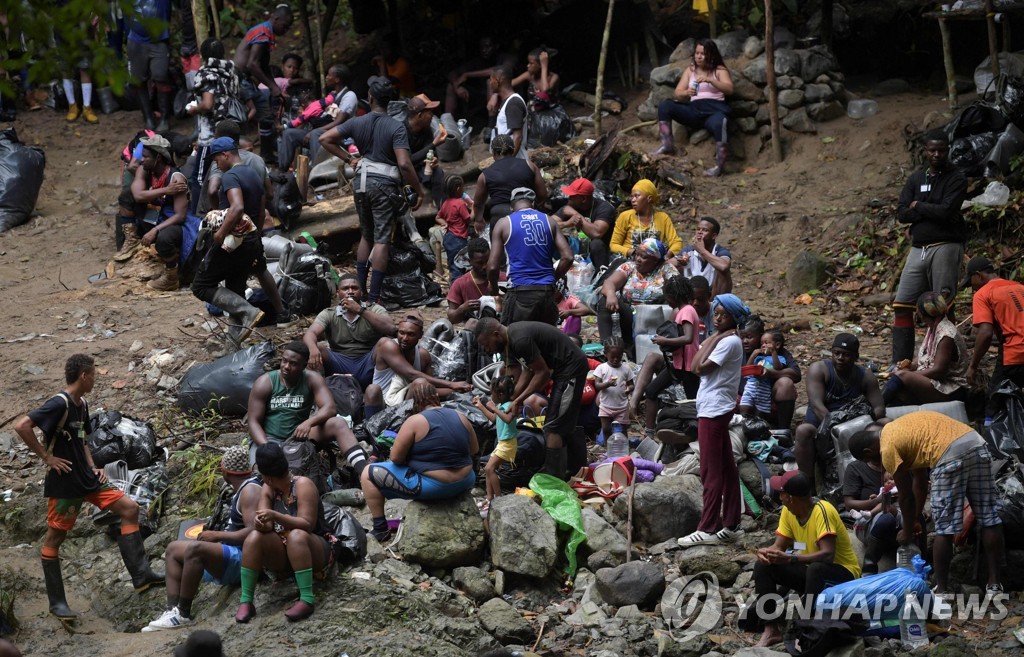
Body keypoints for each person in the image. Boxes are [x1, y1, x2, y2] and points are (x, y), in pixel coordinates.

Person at [13, 354, 163, 619]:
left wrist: (93, 466)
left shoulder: (81, 404)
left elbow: (82, 440)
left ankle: (141, 575)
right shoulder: (58, 404)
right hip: (66, 482)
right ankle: (57, 603)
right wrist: (46, 458)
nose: (96, 378)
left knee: (129, 509)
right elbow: (22, 425)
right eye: (93, 374)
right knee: (55, 538)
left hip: (87, 478)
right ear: (84, 376)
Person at [853, 410, 1004, 595]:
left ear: (868, 452)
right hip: (976, 443)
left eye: (869, 460)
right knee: (989, 518)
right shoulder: (904, 429)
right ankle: (995, 584)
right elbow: (920, 482)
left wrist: (907, 531)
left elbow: (906, 496)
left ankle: (941, 590)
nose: (877, 465)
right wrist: (916, 518)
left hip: (949, 457)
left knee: (944, 528)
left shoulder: (887, 448)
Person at [319, 76, 424, 305]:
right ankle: (374, 298)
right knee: (382, 239)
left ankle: (359, 292)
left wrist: (349, 158)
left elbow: (325, 138)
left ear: (370, 97)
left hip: (361, 184)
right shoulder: (396, 126)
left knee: (367, 234)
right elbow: (405, 164)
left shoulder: (358, 122)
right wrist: (418, 190)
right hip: (384, 186)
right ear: (391, 100)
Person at [143, 446, 261, 631]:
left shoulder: (250, 491)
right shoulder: (241, 488)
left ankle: (183, 613)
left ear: (225, 471)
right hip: (230, 551)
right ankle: (172, 611)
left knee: (195, 549)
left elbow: (254, 532)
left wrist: (216, 535)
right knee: (173, 549)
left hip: (244, 559)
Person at [750, 471, 861, 647]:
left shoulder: (822, 511)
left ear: (791, 497)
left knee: (816, 568)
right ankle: (771, 630)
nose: (779, 497)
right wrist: (767, 553)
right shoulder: (788, 511)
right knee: (764, 566)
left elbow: (827, 555)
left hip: (841, 576)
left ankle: (805, 628)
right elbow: (779, 546)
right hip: (811, 575)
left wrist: (790, 559)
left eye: (781, 493)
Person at [361, 380, 480, 542]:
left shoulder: (415, 421)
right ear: (437, 398)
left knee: (367, 473)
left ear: (415, 402)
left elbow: (395, 458)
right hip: (465, 481)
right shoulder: (461, 416)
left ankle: (380, 528)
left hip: (435, 487)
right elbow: (474, 450)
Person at [474, 318, 590, 479]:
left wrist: (517, 400)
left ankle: (554, 476)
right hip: (561, 371)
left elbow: (541, 374)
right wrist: (514, 397)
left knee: (554, 426)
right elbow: (529, 370)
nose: (487, 349)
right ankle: (568, 469)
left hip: (571, 369)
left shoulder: (519, 340)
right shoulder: (511, 340)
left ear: (496, 334)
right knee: (556, 420)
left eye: (487, 344)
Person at [678, 294, 749, 546]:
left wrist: (716, 337)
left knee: (710, 469)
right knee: (727, 466)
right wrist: (715, 336)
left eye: (723, 315)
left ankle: (707, 527)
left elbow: (697, 367)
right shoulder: (724, 338)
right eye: (716, 314)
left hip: (715, 409)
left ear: (734, 319)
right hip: (715, 407)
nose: (717, 318)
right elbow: (698, 359)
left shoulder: (729, 342)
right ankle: (731, 524)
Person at [891, 134, 967, 366]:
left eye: (941, 151)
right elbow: (902, 213)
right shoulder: (916, 178)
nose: (936, 155)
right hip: (918, 248)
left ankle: (946, 361)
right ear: (925, 150)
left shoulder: (956, 177)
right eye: (932, 150)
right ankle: (901, 362)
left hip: (946, 245)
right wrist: (930, 208)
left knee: (942, 306)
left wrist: (919, 205)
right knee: (902, 304)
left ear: (948, 150)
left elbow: (946, 212)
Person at [235, 442, 331, 623]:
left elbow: (307, 524)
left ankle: (307, 599)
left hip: (313, 549)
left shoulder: (303, 485)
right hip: (285, 553)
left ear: (268, 477)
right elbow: (267, 526)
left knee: (296, 535)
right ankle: (246, 600)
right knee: (254, 537)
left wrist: (274, 515)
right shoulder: (268, 489)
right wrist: (260, 522)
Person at [248, 342, 368, 474]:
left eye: (293, 363)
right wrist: (267, 446)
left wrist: (309, 422)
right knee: (261, 473)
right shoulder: (265, 382)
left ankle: (365, 473)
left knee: (338, 423)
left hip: (299, 435)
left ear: (304, 365)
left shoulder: (312, 378)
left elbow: (330, 407)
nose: (286, 367)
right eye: (284, 361)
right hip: (270, 438)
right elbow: (253, 421)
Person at [190, 137, 266, 345]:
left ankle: (248, 311)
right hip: (250, 240)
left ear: (225, 155)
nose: (216, 164)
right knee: (235, 290)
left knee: (201, 286)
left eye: (216, 160)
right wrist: (255, 238)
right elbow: (261, 211)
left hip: (232, 241)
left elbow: (237, 207)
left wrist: (220, 234)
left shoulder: (231, 176)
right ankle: (234, 346)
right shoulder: (254, 174)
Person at [793, 333, 886, 489]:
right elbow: (817, 406)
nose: (840, 358)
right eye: (837, 353)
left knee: (886, 424)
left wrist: (859, 421)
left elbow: (879, 408)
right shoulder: (820, 369)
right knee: (803, 430)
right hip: (822, 426)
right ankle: (807, 484)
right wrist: (838, 427)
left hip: (855, 427)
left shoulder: (865, 375)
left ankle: (884, 474)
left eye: (846, 355)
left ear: (856, 356)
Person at [488, 187, 573, 326]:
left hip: (520, 290)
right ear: (532, 204)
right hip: (546, 291)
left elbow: (492, 267)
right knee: (545, 339)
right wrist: (552, 278)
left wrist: (494, 288)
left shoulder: (504, 223)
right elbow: (568, 257)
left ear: (511, 207)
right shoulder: (549, 221)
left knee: (514, 339)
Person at [363, 315, 472, 419]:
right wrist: (451, 385)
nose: (405, 338)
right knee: (372, 389)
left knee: (421, 384)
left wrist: (459, 391)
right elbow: (411, 374)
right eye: (401, 333)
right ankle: (370, 428)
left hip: (403, 406)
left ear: (420, 335)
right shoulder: (387, 345)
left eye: (411, 334)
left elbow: (429, 389)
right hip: (381, 402)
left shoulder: (423, 355)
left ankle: (407, 424)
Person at [653, 38, 734, 177]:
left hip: (713, 112)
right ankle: (667, 145)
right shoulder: (690, 71)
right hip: (694, 110)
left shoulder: (719, 70)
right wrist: (686, 93)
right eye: (697, 53)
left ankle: (719, 166)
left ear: (711, 54)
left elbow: (729, 89)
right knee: (665, 106)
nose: (699, 56)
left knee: (721, 121)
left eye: (702, 53)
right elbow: (677, 93)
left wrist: (712, 81)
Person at [631, 276, 700, 438]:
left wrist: (664, 340)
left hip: (688, 366)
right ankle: (649, 431)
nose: (667, 300)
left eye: (668, 296)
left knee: (693, 402)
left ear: (675, 295)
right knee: (651, 390)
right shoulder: (681, 311)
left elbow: (688, 338)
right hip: (677, 365)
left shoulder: (687, 311)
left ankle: (696, 434)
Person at [303, 272, 397, 390]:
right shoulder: (329, 313)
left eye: (355, 288)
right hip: (339, 362)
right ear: (338, 293)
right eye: (345, 288)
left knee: (385, 343)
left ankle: (384, 393)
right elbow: (310, 333)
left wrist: (360, 310)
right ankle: (317, 393)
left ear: (361, 292)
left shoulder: (374, 309)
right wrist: (313, 350)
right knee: (316, 347)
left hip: (367, 361)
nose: (350, 291)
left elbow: (392, 329)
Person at [883, 291, 969, 405]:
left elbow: (938, 371)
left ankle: (872, 408)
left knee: (902, 376)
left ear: (922, 314)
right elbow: (925, 358)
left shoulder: (946, 335)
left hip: (950, 388)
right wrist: (911, 365)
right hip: (936, 382)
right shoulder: (933, 327)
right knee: (899, 391)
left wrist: (908, 375)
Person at [129, 136, 191, 291]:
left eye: (145, 157)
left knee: (164, 238)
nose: (141, 160)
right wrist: (165, 190)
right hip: (158, 216)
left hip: (176, 222)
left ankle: (171, 278)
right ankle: (132, 243)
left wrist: (155, 230)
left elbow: (180, 216)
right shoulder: (146, 170)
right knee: (127, 199)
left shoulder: (175, 178)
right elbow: (137, 194)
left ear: (158, 158)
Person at [186, 38, 240, 214]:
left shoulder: (206, 73)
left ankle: (197, 217)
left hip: (211, 136)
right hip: (230, 130)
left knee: (199, 177)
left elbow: (208, 104)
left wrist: (195, 109)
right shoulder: (230, 72)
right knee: (227, 173)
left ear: (202, 55)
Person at [597, 238, 680, 346]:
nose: (638, 259)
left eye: (643, 257)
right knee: (605, 299)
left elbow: (679, 289)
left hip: (654, 316)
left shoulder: (666, 269)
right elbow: (609, 283)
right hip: (630, 314)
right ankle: (607, 345)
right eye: (637, 255)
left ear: (655, 260)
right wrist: (611, 294)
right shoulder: (629, 267)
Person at [278, 63, 357, 171]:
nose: (326, 77)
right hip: (325, 133)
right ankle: (282, 170)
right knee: (289, 133)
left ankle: (318, 171)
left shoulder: (349, 96)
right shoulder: (333, 95)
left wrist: (315, 130)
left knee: (315, 133)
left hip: (341, 136)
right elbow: (328, 116)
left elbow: (339, 122)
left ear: (337, 79)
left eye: (329, 75)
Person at [965, 255, 1024, 394]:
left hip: (1015, 353)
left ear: (978, 275)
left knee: (994, 402)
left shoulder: (983, 294)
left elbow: (985, 333)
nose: (972, 288)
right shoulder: (1020, 287)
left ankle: (990, 416)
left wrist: (973, 366)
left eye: (970, 283)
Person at [845, 431, 901, 575]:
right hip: (869, 523)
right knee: (886, 516)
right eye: (880, 442)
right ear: (868, 452)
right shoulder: (855, 468)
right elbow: (849, 504)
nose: (886, 443)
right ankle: (869, 566)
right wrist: (877, 500)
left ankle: (922, 566)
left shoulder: (897, 461)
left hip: (899, 518)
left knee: (912, 517)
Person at [737, 316, 800, 431]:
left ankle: (783, 431)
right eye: (742, 337)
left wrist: (770, 373)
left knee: (785, 383)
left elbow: (796, 374)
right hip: (741, 398)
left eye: (750, 337)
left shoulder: (774, 351)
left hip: (767, 398)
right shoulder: (735, 348)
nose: (744, 341)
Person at [233, 6, 293, 123]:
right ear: (275, 19)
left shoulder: (267, 33)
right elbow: (252, 64)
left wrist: (275, 88)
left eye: (288, 28)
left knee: (266, 116)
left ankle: (263, 139)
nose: (286, 30)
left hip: (246, 80)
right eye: (284, 26)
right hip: (240, 79)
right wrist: (272, 87)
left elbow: (264, 67)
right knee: (256, 114)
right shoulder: (263, 32)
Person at [472, 134, 546, 226]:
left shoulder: (484, 175)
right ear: (513, 150)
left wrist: (478, 220)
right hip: (526, 213)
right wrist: (535, 208)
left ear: (494, 152)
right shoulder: (529, 165)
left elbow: (478, 204)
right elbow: (542, 195)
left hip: (499, 217)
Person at [125, 0, 173, 130]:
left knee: (161, 77)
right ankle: (148, 118)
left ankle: (164, 118)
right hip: (136, 40)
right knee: (138, 80)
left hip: (159, 40)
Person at [609, 180, 683, 261]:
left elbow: (676, 242)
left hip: (654, 262)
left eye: (637, 196)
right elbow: (614, 245)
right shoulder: (625, 216)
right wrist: (632, 252)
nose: (633, 200)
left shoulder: (663, 218)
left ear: (649, 198)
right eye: (632, 196)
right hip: (629, 260)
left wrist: (668, 256)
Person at [473, 374, 519, 504]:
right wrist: (481, 407)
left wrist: (493, 408)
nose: (490, 396)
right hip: (502, 443)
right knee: (488, 469)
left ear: (500, 395)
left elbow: (508, 419)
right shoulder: (501, 407)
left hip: (508, 444)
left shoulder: (510, 405)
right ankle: (489, 497)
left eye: (492, 393)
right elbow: (494, 419)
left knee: (489, 469)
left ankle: (498, 498)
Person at [553, 178, 617, 270]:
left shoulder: (604, 208)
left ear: (583, 198)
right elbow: (547, 224)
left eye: (572, 196)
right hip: (576, 246)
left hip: (598, 252)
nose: (569, 198)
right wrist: (567, 223)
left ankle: (601, 275)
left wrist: (576, 215)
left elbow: (596, 233)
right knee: (552, 238)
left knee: (596, 244)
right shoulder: (570, 206)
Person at [446, 238, 498, 327]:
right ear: (470, 262)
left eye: (487, 261)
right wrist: (463, 309)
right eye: (480, 263)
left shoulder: (501, 278)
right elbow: (452, 318)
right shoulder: (460, 283)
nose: (485, 266)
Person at [739, 331, 790, 419]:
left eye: (766, 343)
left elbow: (778, 367)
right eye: (761, 343)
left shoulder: (780, 358)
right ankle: (744, 423)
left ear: (777, 345)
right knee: (744, 407)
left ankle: (759, 427)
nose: (763, 345)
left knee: (761, 413)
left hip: (764, 388)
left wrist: (773, 352)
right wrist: (753, 355)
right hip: (751, 386)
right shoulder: (759, 358)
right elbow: (748, 368)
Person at [592, 337, 635, 439]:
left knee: (623, 429)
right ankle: (608, 450)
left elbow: (631, 384)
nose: (616, 359)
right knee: (606, 429)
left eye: (619, 357)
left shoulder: (626, 368)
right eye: (612, 357)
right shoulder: (602, 368)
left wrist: (629, 389)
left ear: (622, 355)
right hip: (606, 405)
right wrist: (607, 384)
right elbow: (597, 385)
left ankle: (624, 448)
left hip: (621, 406)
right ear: (605, 354)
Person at [678, 216, 732, 296]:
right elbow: (669, 264)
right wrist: (680, 261)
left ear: (713, 236)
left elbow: (724, 266)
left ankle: (716, 305)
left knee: (723, 272)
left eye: (705, 230)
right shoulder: (689, 250)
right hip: (692, 292)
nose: (700, 232)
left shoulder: (720, 251)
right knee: (677, 267)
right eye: (698, 229)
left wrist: (702, 250)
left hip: (713, 295)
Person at [436, 174, 472, 280]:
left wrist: (445, 223)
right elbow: (469, 219)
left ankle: (454, 289)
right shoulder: (460, 203)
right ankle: (460, 289)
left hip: (449, 238)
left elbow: (438, 217)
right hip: (459, 239)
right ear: (458, 189)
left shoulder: (445, 203)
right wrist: (474, 208)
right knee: (461, 265)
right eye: (463, 187)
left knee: (452, 265)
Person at [489, 66, 528, 159]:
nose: (490, 83)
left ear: (499, 80)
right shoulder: (507, 101)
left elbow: (517, 137)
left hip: (515, 162)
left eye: (491, 79)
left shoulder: (513, 103)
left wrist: (507, 162)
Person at [691, 275, 714, 341]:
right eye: (692, 298)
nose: (695, 303)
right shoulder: (681, 313)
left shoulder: (717, 313)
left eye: (700, 299)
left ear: (709, 296)